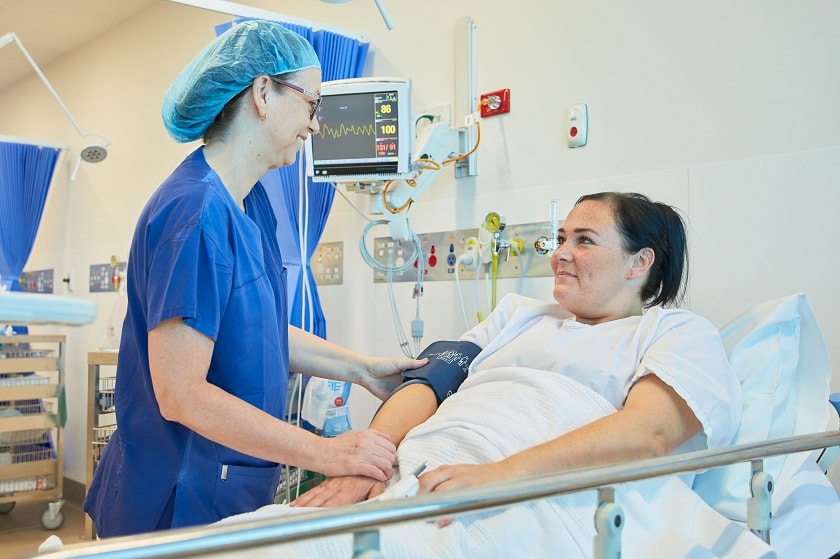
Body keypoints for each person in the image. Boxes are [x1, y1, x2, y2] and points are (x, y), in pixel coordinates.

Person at [83, 20, 425, 537]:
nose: (315, 126)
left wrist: (361, 369)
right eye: (312, 105)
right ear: (263, 92)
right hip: (178, 496)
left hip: (223, 486)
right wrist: (326, 452)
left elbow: (258, 332)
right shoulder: (195, 213)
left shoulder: (248, 203)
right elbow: (181, 393)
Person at [292, 191, 742, 508]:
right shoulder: (518, 314)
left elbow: (650, 433)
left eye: (584, 240)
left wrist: (497, 477)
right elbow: (428, 379)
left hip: (525, 493)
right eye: (562, 237)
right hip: (422, 470)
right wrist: (365, 463)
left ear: (639, 262)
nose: (560, 253)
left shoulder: (674, 332)